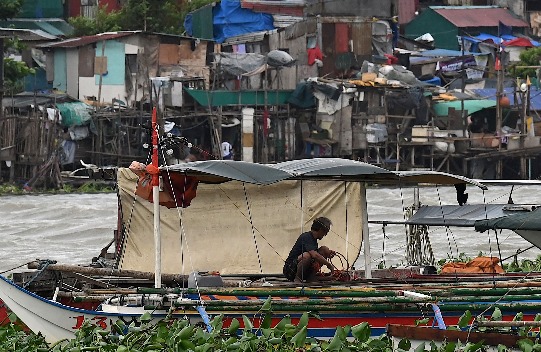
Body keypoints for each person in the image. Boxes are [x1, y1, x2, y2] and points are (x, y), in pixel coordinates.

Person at [283, 217, 337, 283]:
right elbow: (314, 255)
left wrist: (328, 253)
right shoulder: (306, 237)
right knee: (307, 256)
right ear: (321, 230)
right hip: (291, 270)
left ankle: (311, 277)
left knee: (324, 249)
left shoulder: (314, 240)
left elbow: (317, 255)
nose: (325, 235)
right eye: (325, 232)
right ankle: (297, 279)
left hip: (303, 270)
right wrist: (328, 264)